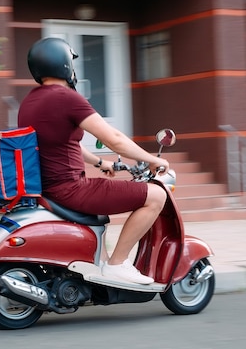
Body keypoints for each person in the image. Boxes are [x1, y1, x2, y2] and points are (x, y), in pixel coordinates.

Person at [18, 37, 170, 285]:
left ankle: (100, 264)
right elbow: (115, 139)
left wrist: (101, 164)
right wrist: (151, 159)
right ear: (65, 65)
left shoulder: (30, 101)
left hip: (48, 188)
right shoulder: (67, 98)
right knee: (156, 196)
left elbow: (61, 144)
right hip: (71, 189)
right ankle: (117, 265)